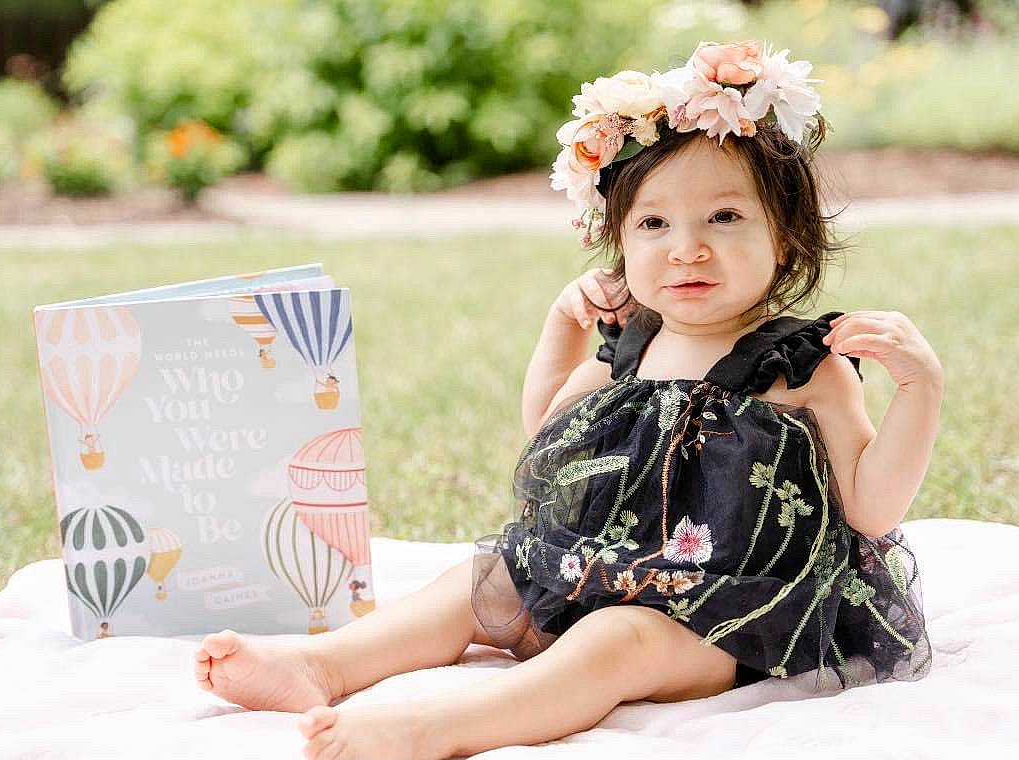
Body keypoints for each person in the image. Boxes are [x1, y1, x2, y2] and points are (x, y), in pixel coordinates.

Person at [193, 40, 942, 760]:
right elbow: (548, 430)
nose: (686, 248)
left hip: (723, 619)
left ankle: (435, 729)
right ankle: (323, 667)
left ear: (786, 238)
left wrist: (920, 389)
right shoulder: (631, 349)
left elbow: (870, 510)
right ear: (617, 240)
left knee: (616, 642)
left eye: (724, 217)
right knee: (482, 582)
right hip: (595, 572)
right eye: (653, 223)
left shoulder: (800, 367)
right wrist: (563, 327)